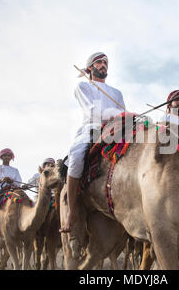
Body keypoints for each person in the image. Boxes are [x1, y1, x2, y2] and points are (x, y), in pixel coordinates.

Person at [60, 52, 126, 233]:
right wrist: (116, 116)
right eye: (99, 62)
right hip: (93, 128)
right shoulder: (82, 86)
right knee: (76, 156)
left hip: (117, 128)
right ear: (90, 68)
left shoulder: (116, 92)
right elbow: (92, 112)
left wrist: (124, 118)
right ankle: (72, 212)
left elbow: (122, 111)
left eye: (105, 62)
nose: (103, 65)